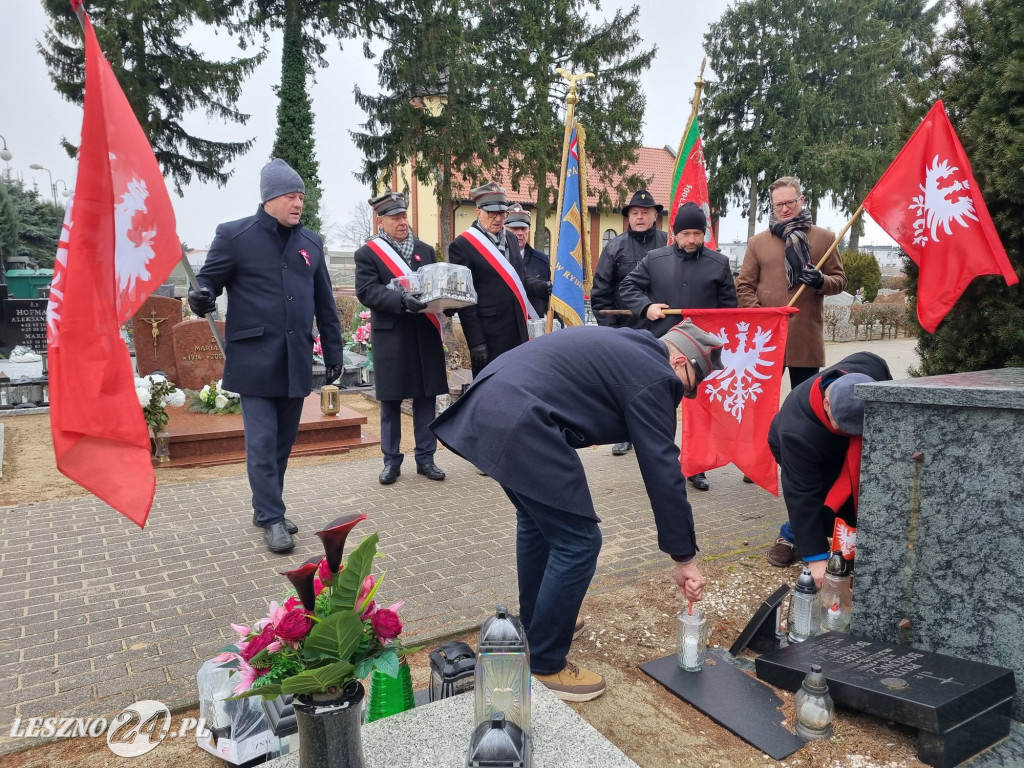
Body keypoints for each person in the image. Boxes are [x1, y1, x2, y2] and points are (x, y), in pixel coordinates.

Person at [431, 320, 722, 701]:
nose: (680, 396)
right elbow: (663, 470)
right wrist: (684, 557)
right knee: (579, 541)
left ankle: (539, 627)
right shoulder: (655, 374)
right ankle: (547, 662)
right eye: (686, 385)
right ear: (679, 359)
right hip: (522, 420)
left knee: (538, 525)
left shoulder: (630, 344)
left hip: (492, 404)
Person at [188, 158, 344, 554]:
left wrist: (334, 351)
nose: (298, 203)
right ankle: (273, 518)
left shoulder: (311, 242)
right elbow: (208, 282)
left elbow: (325, 303)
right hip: (254, 358)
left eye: (302, 197)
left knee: (282, 443)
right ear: (270, 198)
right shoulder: (235, 235)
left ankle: (265, 508)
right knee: (260, 442)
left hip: (295, 359)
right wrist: (199, 296)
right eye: (292, 196)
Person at [618, 201, 737, 492]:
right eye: (686, 234)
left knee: (700, 409)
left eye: (698, 233)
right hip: (664, 348)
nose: (692, 240)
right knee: (664, 407)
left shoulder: (718, 263)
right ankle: (665, 465)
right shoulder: (654, 259)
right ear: (675, 233)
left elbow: (730, 309)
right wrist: (646, 307)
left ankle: (697, 466)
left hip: (701, 353)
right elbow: (627, 288)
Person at [766, 351, 892, 576]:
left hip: (840, 447)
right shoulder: (797, 433)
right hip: (796, 447)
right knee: (822, 497)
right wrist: (816, 560)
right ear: (826, 403)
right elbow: (802, 493)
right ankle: (790, 534)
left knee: (854, 490)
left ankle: (850, 537)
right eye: (844, 427)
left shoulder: (871, 367)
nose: (851, 434)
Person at [354, 190, 449, 486]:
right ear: (381, 221)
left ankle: (426, 458)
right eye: (395, 217)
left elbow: (436, 284)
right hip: (392, 337)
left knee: (425, 397)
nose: (402, 222)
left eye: (404, 216)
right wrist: (401, 300)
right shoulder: (368, 254)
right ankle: (391, 461)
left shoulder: (425, 250)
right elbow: (368, 291)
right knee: (391, 401)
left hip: (424, 333)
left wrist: (449, 303)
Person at [735, 176, 846, 389]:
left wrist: (821, 280)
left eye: (790, 202)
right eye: (779, 204)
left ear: (801, 200)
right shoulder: (757, 243)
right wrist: (761, 317)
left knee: (805, 401)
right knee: (762, 400)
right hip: (766, 337)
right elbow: (744, 286)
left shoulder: (825, 238)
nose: (784, 209)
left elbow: (840, 280)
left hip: (805, 337)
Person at [590, 189, 669, 457]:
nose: (640, 217)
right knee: (625, 385)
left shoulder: (669, 244)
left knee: (663, 384)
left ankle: (659, 435)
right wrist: (609, 333)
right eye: (635, 213)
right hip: (626, 330)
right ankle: (624, 433)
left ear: (655, 215)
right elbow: (600, 294)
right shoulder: (614, 247)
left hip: (662, 329)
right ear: (628, 217)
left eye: (645, 213)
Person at [448, 182, 550, 377]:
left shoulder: (511, 240)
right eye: (492, 213)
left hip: (516, 329)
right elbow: (465, 300)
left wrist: (546, 287)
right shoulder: (463, 245)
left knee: (518, 381)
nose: (498, 218)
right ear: (478, 212)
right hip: (489, 334)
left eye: (502, 213)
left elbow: (519, 280)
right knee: (490, 389)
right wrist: (476, 341)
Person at [505, 203, 552, 318]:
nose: (520, 233)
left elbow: (548, 300)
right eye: (515, 228)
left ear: (529, 230)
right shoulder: (498, 259)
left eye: (523, 228)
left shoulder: (542, 260)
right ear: (504, 229)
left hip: (535, 326)